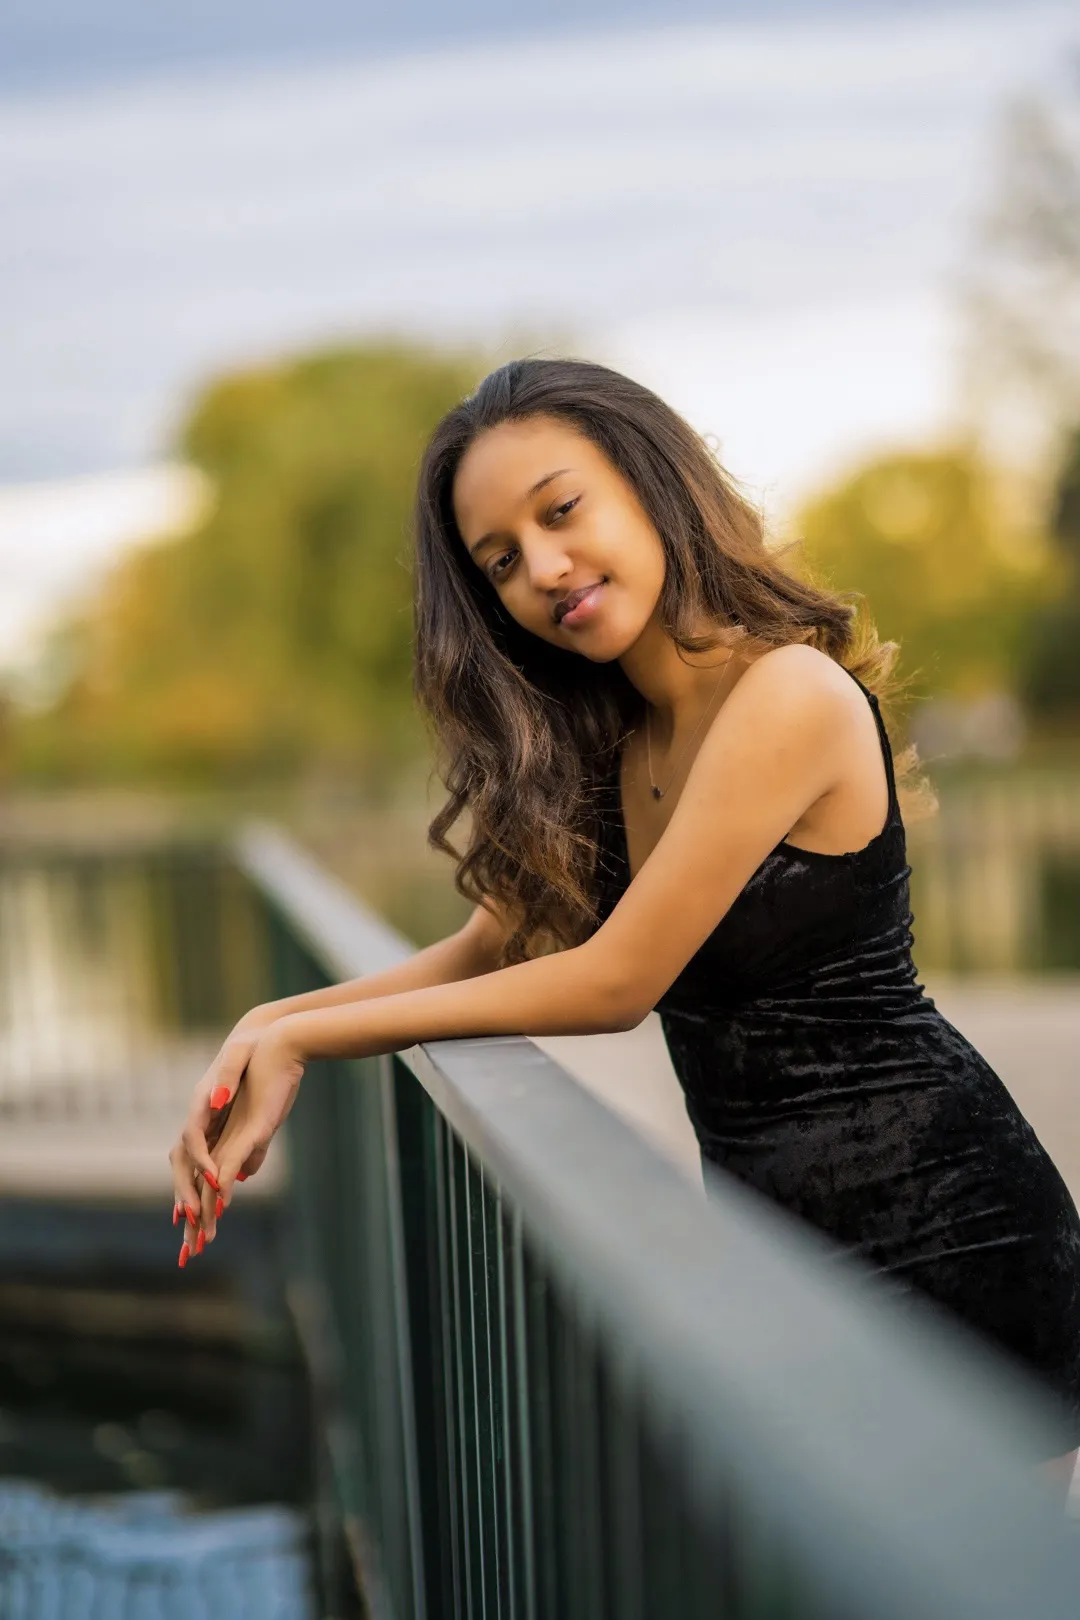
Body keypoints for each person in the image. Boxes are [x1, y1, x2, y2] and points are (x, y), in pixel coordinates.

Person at [168, 357, 1080, 1507]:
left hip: (950, 1225)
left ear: (652, 483)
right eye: (501, 561)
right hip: (773, 1243)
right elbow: (477, 956)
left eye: (562, 511)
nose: (544, 569)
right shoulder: (611, 743)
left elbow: (615, 982)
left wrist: (316, 1044)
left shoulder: (785, 696)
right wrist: (270, 1022)